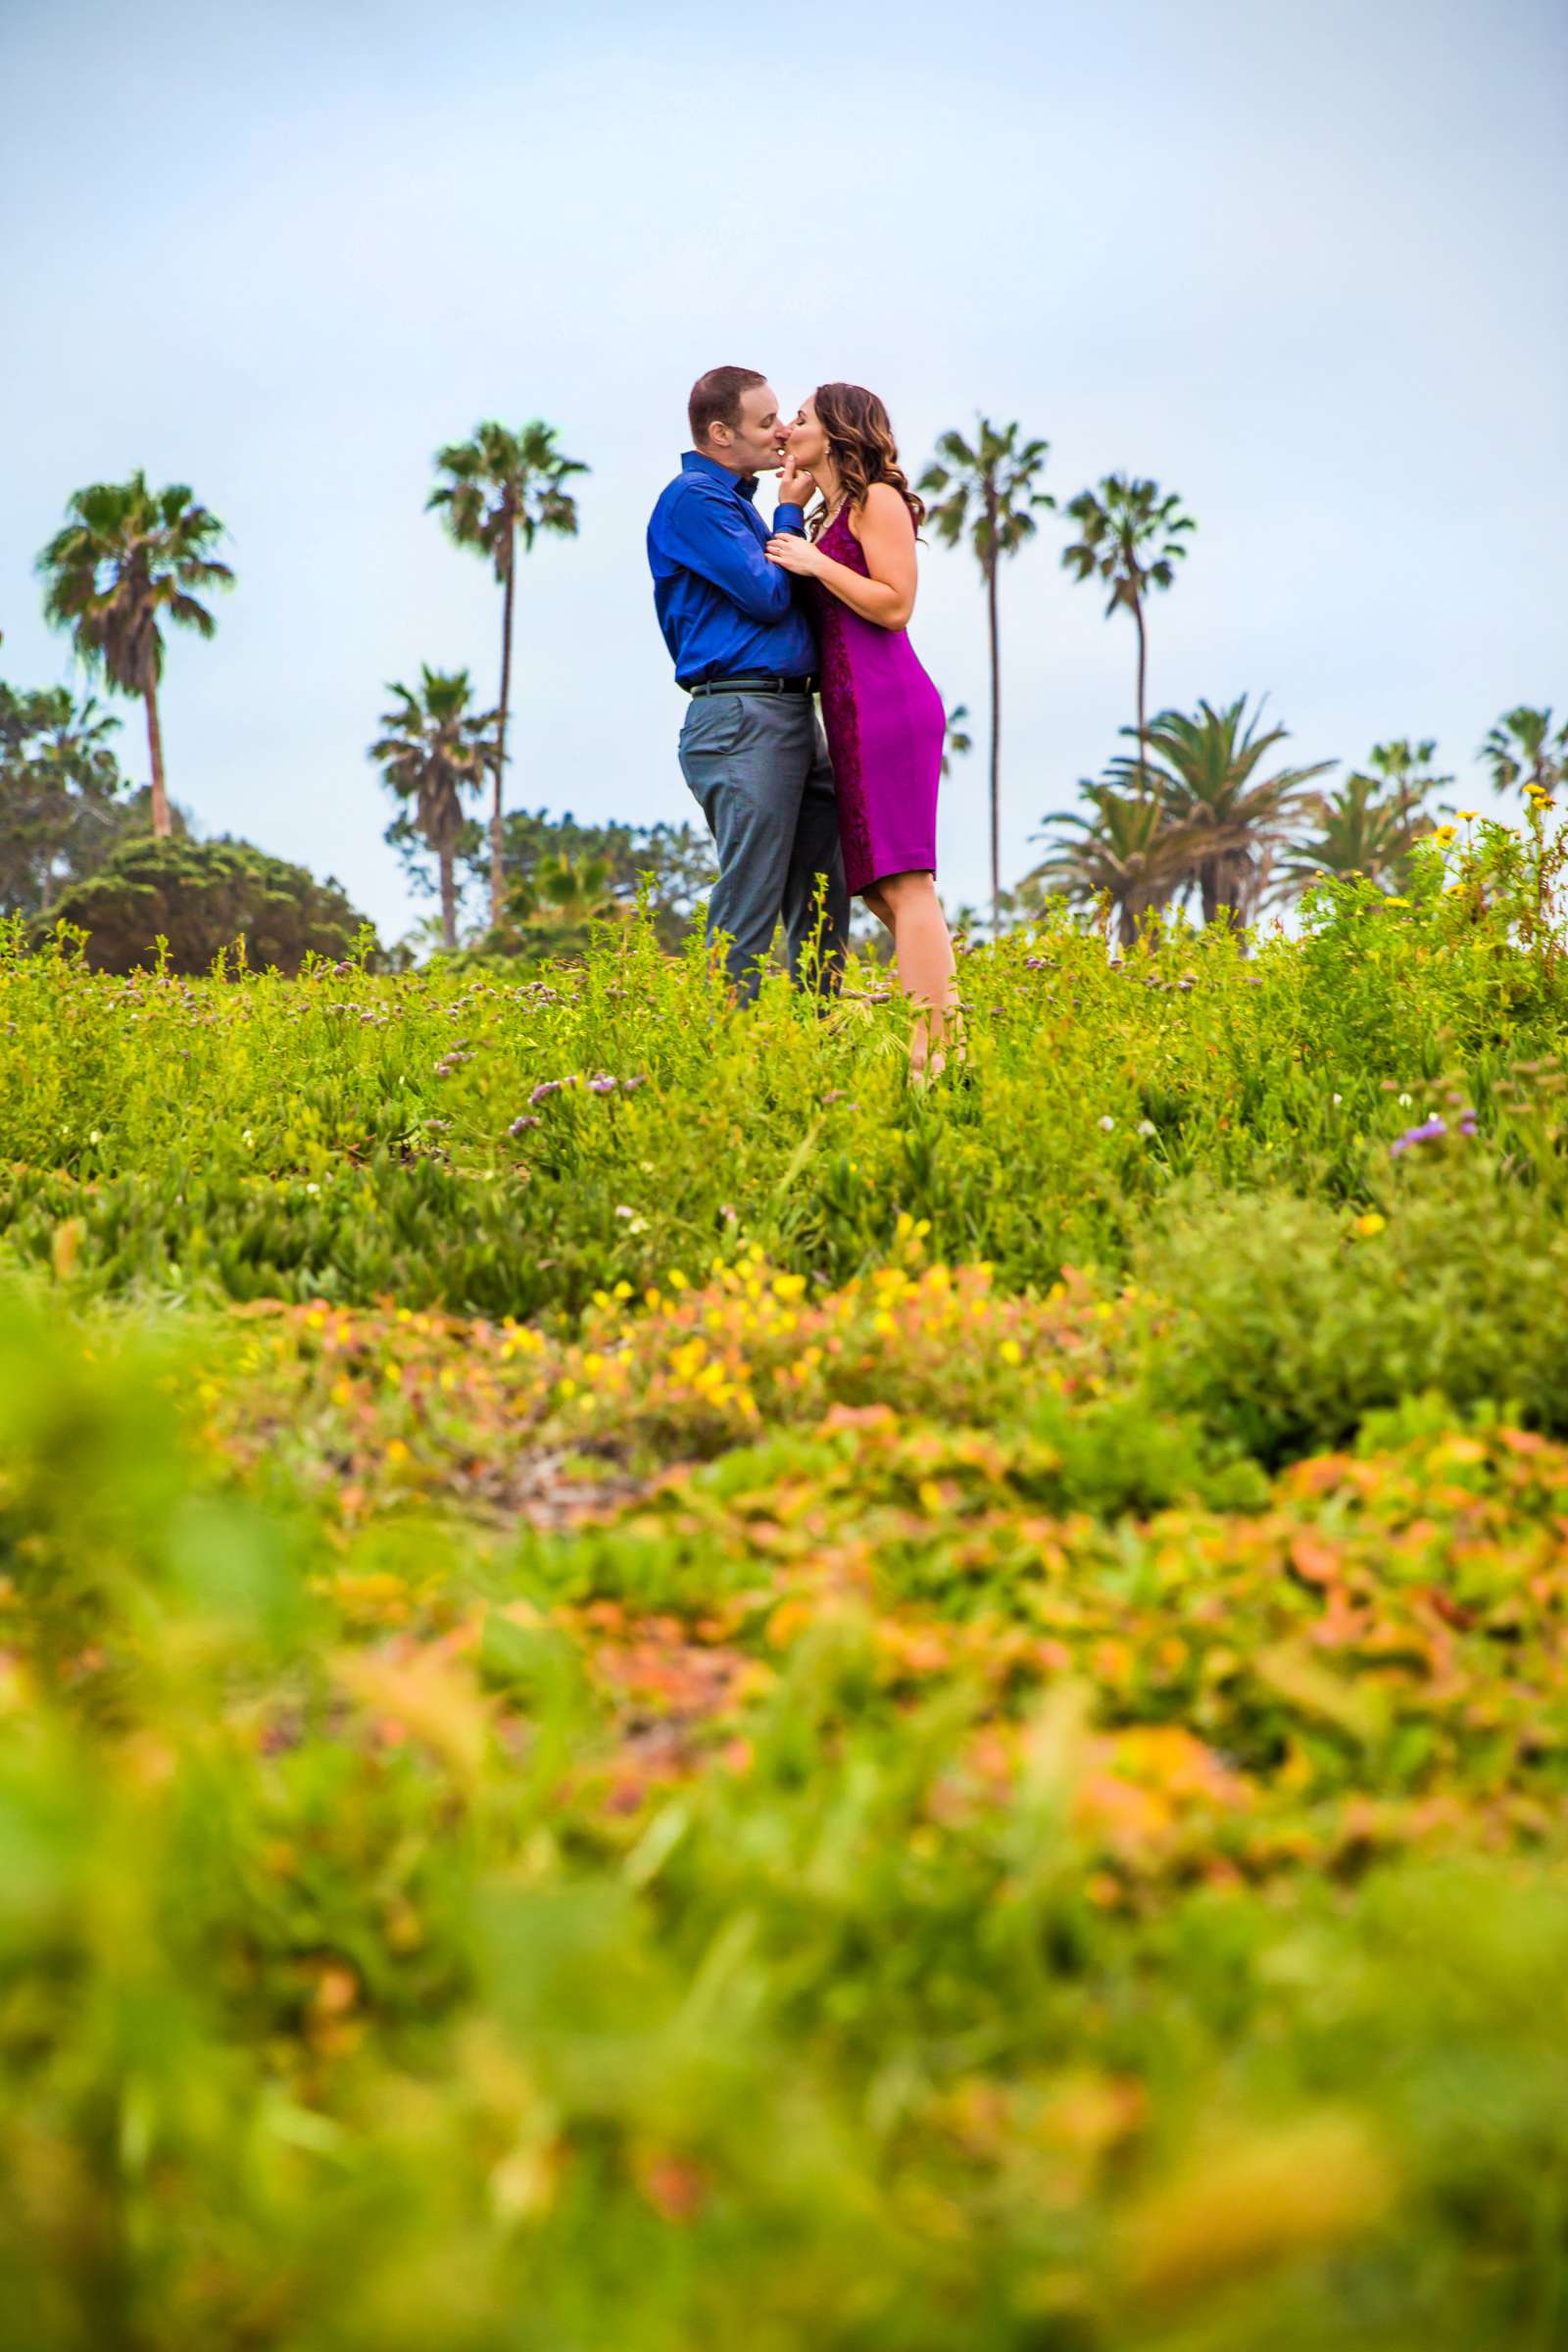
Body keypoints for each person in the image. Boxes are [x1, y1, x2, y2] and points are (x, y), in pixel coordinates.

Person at [765, 384, 957, 1081]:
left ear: (839, 429)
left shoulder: (877, 499)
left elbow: (897, 603)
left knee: (907, 885)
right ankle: (947, 1038)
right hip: (845, 713)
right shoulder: (824, 516)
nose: (788, 427)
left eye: (802, 418)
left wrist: (817, 563)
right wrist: (794, 507)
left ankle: (932, 1057)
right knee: (881, 889)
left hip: (889, 706)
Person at [647, 367, 851, 1001]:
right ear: (719, 433)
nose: (783, 431)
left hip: (787, 717)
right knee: (753, 893)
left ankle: (816, 1045)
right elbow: (766, 595)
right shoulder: (694, 500)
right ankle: (724, 1057)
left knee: (823, 887)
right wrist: (789, 511)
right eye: (766, 423)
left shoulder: (737, 505)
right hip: (740, 718)